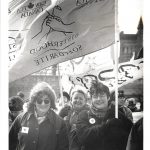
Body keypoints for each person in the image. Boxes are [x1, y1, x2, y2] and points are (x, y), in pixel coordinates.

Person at [9, 82, 69, 150]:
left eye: (46, 101)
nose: (43, 104)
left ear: (51, 102)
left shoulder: (60, 123)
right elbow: (10, 141)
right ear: (34, 101)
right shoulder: (21, 118)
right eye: (39, 100)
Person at [75, 81, 133, 150]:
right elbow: (83, 137)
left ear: (108, 97)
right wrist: (106, 126)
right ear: (91, 99)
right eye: (95, 96)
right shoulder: (84, 115)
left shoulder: (117, 113)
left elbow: (131, 134)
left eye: (102, 95)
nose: (99, 99)